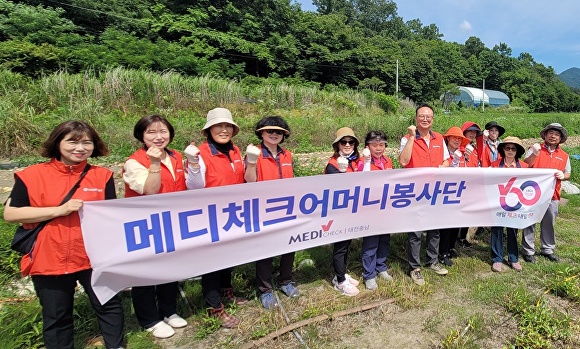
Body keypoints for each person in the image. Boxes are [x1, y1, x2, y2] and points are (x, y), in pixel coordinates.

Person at [3, 121, 124, 349]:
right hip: (49, 257)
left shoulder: (103, 176)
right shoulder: (31, 175)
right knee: (57, 316)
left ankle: (116, 345)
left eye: (87, 142)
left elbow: (110, 215)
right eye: (73, 141)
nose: (80, 148)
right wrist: (59, 210)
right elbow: (11, 214)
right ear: (57, 143)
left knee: (108, 304)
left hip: (92, 256)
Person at [122, 114, 188, 339]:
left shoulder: (177, 156)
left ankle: (169, 310)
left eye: (163, 132)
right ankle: (149, 318)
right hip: (146, 224)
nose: (158, 137)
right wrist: (154, 163)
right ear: (141, 135)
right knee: (146, 272)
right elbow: (150, 190)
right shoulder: (134, 162)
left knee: (170, 267)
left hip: (172, 220)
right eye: (151, 132)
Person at [184, 107, 247, 328]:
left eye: (227, 126)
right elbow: (194, 186)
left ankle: (226, 292)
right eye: (218, 126)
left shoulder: (235, 151)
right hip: (209, 215)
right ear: (208, 130)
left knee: (228, 258)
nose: (223, 130)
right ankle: (214, 307)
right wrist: (192, 164)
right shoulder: (200, 154)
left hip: (232, 213)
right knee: (212, 263)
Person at [244, 116, 300, 309]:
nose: (274, 135)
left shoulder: (287, 155)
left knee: (288, 246)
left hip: (286, 207)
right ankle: (265, 290)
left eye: (278, 132)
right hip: (263, 208)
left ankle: (286, 281)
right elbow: (249, 182)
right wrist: (251, 162)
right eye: (270, 131)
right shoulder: (255, 153)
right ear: (261, 133)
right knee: (265, 250)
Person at [398, 104, 449, 286]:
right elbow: (403, 161)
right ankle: (415, 268)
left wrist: (441, 168)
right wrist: (412, 137)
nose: (425, 119)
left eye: (428, 116)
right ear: (416, 118)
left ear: (433, 119)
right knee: (415, 231)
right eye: (421, 116)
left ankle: (432, 261)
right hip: (414, 191)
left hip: (435, 191)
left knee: (434, 229)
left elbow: (447, 160)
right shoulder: (407, 139)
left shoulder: (439, 138)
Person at [521, 123, 572, 263]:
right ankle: (528, 250)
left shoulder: (564, 155)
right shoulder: (535, 149)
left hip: (552, 194)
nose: (553, 136)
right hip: (532, 193)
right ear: (545, 134)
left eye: (557, 134)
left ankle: (547, 249)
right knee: (530, 220)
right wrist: (535, 154)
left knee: (549, 221)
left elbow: (568, 173)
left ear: (560, 138)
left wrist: (563, 175)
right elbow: (525, 165)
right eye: (551, 133)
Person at [324, 127, 361, 296]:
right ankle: (340, 281)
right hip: (339, 212)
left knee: (346, 244)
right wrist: (342, 171)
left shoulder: (356, 161)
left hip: (352, 210)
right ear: (337, 145)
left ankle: (342, 273)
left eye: (351, 142)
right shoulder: (333, 164)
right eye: (343, 142)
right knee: (340, 246)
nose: (347, 145)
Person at [357, 131, 394, 290]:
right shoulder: (362, 162)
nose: (378, 148)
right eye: (374, 145)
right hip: (370, 209)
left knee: (384, 239)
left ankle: (381, 267)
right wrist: (366, 162)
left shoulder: (388, 161)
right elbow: (360, 182)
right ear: (367, 146)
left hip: (385, 207)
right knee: (371, 242)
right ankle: (369, 274)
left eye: (381, 145)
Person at [490, 137, 528, 272]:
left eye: (513, 148)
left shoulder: (524, 167)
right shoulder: (494, 165)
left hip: (515, 203)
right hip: (498, 202)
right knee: (497, 230)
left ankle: (513, 258)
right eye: (507, 148)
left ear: (517, 151)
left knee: (513, 230)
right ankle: (497, 259)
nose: (510, 151)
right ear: (503, 149)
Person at [438, 126, 471, 266]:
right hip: (444, 194)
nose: (457, 140)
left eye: (459, 138)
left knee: (456, 223)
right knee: (446, 225)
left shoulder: (463, 154)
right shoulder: (442, 154)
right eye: (454, 138)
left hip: (459, 193)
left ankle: (451, 248)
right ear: (448, 139)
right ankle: (442, 253)